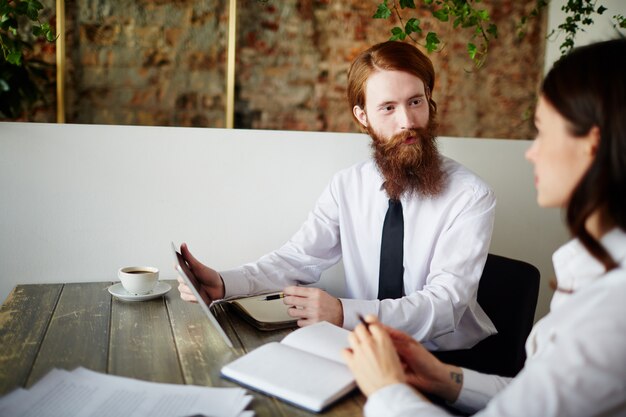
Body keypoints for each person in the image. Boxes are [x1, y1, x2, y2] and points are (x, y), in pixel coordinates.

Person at [342, 38, 626, 416]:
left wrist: (386, 390)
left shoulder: (611, 310)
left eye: (542, 131)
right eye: (388, 107)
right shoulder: (592, 270)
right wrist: (443, 377)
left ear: (592, 144)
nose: (531, 152)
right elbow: (531, 397)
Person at [177, 41, 497, 351]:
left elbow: (446, 306)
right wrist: (223, 283)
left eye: (415, 102)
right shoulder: (347, 185)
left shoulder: (470, 196)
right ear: (362, 116)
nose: (408, 121)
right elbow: (297, 259)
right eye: (388, 107)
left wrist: (344, 313)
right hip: (361, 347)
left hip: (446, 359)